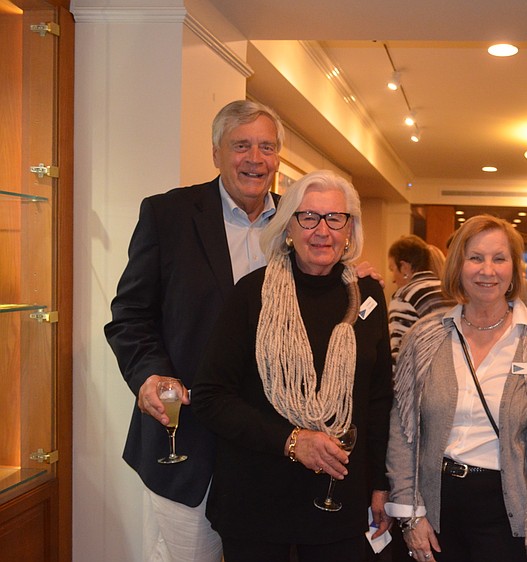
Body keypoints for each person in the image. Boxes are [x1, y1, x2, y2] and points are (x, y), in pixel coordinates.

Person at [104, 99, 286, 561]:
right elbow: (130, 315)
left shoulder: (296, 225)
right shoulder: (169, 215)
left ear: (278, 155)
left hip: (268, 443)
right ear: (216, 153)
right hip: (186, 441)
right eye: (241, 145)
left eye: (266, 146)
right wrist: (149, 376)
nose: (255, 158)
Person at [192, 170, 393, 561]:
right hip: (258, 499)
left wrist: (380, 484)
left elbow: (378, 399)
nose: (323, 230)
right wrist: (291, 440)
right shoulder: (251, 294)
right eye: (309, 217)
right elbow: (210, 396)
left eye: (336, 218)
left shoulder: (367, 296)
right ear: (288, 226)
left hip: (339, 501)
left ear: (350, 229)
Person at [386, 214, 527, 562]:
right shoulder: (426, 337)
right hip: (437, 505)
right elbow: (402, 429)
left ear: (514, 268)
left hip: (511, 509)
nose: (487, 270)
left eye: (499, 258)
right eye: (475, 258)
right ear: (458, 265)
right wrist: (410, 512)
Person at [388, 235, 454, 364]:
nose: (393, 278)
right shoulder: (449, 291)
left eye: (392, 269)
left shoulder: (403, 297)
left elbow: (399, 353)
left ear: (404, 267)